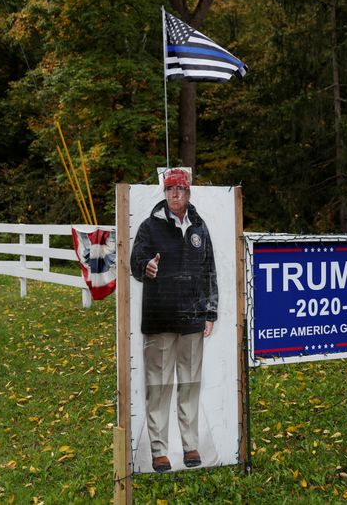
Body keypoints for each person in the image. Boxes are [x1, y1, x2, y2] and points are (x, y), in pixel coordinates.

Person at [130, 168, 218, 473]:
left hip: (193, 319)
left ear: (189, 191)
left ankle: (190, 445)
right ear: (164, 193)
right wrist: (146, 267)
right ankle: (158, 450)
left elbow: (209, 271)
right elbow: (135, 261)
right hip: (159, 318)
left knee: (190, 384)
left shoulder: (200, 227)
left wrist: (211, 311)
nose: (174, 194)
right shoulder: (149, 227)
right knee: (159, 384)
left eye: (179, 188)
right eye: (169, 189)